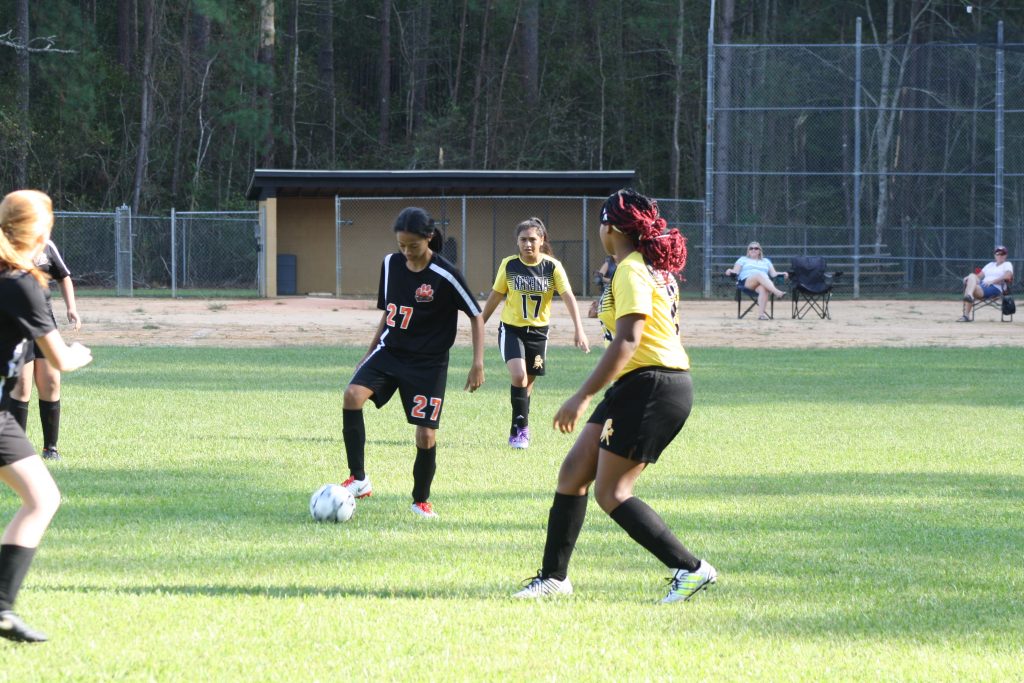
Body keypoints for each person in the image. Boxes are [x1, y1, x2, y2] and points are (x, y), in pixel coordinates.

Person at [513, 188, 715, 604]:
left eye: (600, 222)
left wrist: (582, 395)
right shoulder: (644, 268)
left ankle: (691, 569)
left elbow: (629, 340)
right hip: (639, 382)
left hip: (652, 385)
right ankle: (554, 577)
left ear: (610, 226)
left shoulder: (632, 269)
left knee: (611, 492)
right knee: (573, 474)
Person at [340, 207, 485, 519]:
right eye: (401, 245)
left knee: (426, 434)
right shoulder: (391, 265)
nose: (406, 251)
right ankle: (359, 479)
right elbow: (388, 312)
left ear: (429, 238)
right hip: (390, 351)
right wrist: (367, 355)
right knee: (352, 395)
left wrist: (477, 363)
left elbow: (476, 314)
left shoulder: (445, 274)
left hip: (428, 364)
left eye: (413, 245)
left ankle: (420, 500)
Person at [1, 190, 93, 642]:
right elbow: (58, 360)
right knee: (42, 499)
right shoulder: (21, 284)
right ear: (39, 230)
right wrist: (81, 352)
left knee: (43, 497)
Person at [481, 218, 590, 449]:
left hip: (539, 334)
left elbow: (568, 296)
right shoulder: (509, 265)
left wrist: (579, 330)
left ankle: (518, 426)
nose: (528, 244)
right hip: (511, 330)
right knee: (519, 376)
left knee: (528, 384)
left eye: (532, 239)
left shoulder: (552, 266)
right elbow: (496, 296)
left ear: (542, 240)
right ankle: (521, 431)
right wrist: (479, 323)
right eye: (523, 240)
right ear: (517, 242)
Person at [8, 238, 81, 461]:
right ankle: (18, 451)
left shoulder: (45, 245)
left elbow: (63, 276)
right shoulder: (5, 245)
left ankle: (51, 448)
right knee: (21, 386)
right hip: (14, 325)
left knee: (51, 382)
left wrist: (71, 307)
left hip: (43, 323)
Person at [725, 241, 787, 320]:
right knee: (759, 274)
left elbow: (773, 274)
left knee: (763, 289)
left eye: (756, 248)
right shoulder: (743, 259)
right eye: (751, 248)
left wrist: (782, 273)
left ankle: (761, 315)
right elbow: (736, 271)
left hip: (763, 283)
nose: (753, 250)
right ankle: (777, 292)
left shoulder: (766, 261)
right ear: (748, 251)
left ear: (759, 251)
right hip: (747, 282)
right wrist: (729, 270)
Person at [957, 245, 1013, 322]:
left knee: (971, 287)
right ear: (995, 255)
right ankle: (969, 296)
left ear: (1005, 255)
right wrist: (969, 278)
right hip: (982, 285)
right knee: (971, 275)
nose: (1000, 256)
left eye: (1002, 254)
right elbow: (979, 276)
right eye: (998, 254)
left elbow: (1008, 276)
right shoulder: (990, 265)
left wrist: (992, 281)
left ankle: (966, 314)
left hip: (995, 288)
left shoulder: (1007, 264)